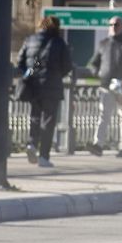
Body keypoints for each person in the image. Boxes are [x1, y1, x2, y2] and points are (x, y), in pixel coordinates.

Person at [16, 15, 72, 168]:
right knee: (48, 121)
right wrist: (56, 74)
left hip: (33, 85)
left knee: (35, 116)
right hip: (52, 85)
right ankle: (44, 157)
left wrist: (30, 73)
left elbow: (20, 62)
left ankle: (32, 144)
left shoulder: (30, 40)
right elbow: (67, 65)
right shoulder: (59, 43)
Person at [86, 15, 122, 157]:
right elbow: (93, 63)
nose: (113, 27)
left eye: (116, 25)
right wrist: (98, 73)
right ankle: (98, 145)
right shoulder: (103, 44)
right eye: (111, 25)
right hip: (107, 86)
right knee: (104, 116)